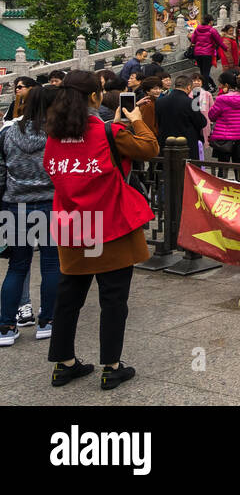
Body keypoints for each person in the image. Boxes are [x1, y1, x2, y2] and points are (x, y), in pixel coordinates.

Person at [44, 70, 157, 390]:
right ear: (95, 97)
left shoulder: (54, 135)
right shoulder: (109, 132)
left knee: (68, 297)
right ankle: (111, 366)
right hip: (110, 225)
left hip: (74, 225)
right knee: (113, 298)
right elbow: (149, 148)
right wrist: (135, 119)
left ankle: (63, 364)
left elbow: (53, 173)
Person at [0, 84, 58, 346]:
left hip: (15, 206)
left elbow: (1, 174)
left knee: (16, 266)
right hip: (50, 204)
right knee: (51, 264)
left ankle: (5, 326)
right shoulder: (57, 133)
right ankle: (47, 321)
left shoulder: (8, 133)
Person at [208, 70, 240, 181]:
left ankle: (221, 190)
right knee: (239, 166)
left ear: (226, 85)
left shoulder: (222, 99)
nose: (219, 86)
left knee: (223, 168)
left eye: (220, 84)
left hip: (224, 139)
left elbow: (212, 116)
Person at [155, 73, 207, 161]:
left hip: (166, 143)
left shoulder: (160, 102)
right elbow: (201, 122)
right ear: (189, 87)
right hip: (187, 144)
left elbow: (158, 121)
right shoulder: (192, 102)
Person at [190, 15, 224, 91]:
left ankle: (207, 86)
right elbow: (219, 41)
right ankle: (205, 87)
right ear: (211, 21)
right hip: (207, 53)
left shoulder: (197, 29)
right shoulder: (212, 30)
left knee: (202, 71)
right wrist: (225, 48)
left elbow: (193, 40)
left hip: (198, 53)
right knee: (206, 72)